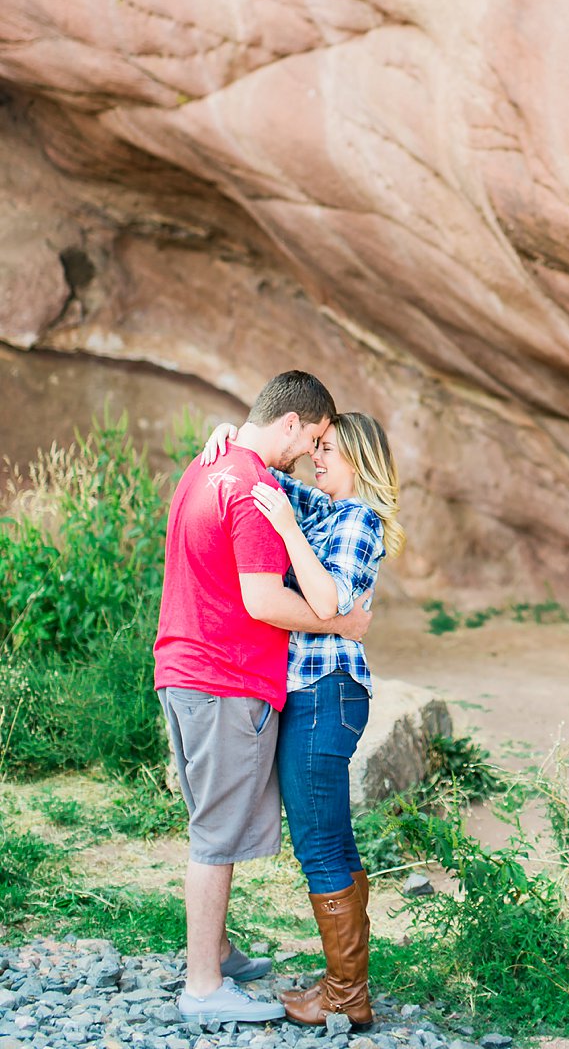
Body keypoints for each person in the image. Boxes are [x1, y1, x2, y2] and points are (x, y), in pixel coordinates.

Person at [154, 370, 372, 1024]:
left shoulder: (207, 464)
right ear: (291, 424)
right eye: (314, 439)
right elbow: (260, 597)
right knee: (216, 837)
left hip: (182, 666)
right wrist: (338, 621)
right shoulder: (249, 484)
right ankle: (203, 985)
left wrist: (226, 436)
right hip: (220, 678)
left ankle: (216, 946)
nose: (312, 453)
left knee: (213, 823)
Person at [201, 409, 403, 1028]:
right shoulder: (319, 507)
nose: (318, 457)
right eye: (318, 445)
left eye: (330, 449)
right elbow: (259, 472)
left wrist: (289, 534)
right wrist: (226, 435)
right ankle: (346, 985)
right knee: (332, 837)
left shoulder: (359, 520)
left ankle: (347, 996)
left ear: (360, 461)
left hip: (327, 692)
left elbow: (330, 601)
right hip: (313, 694)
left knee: (318, 841)